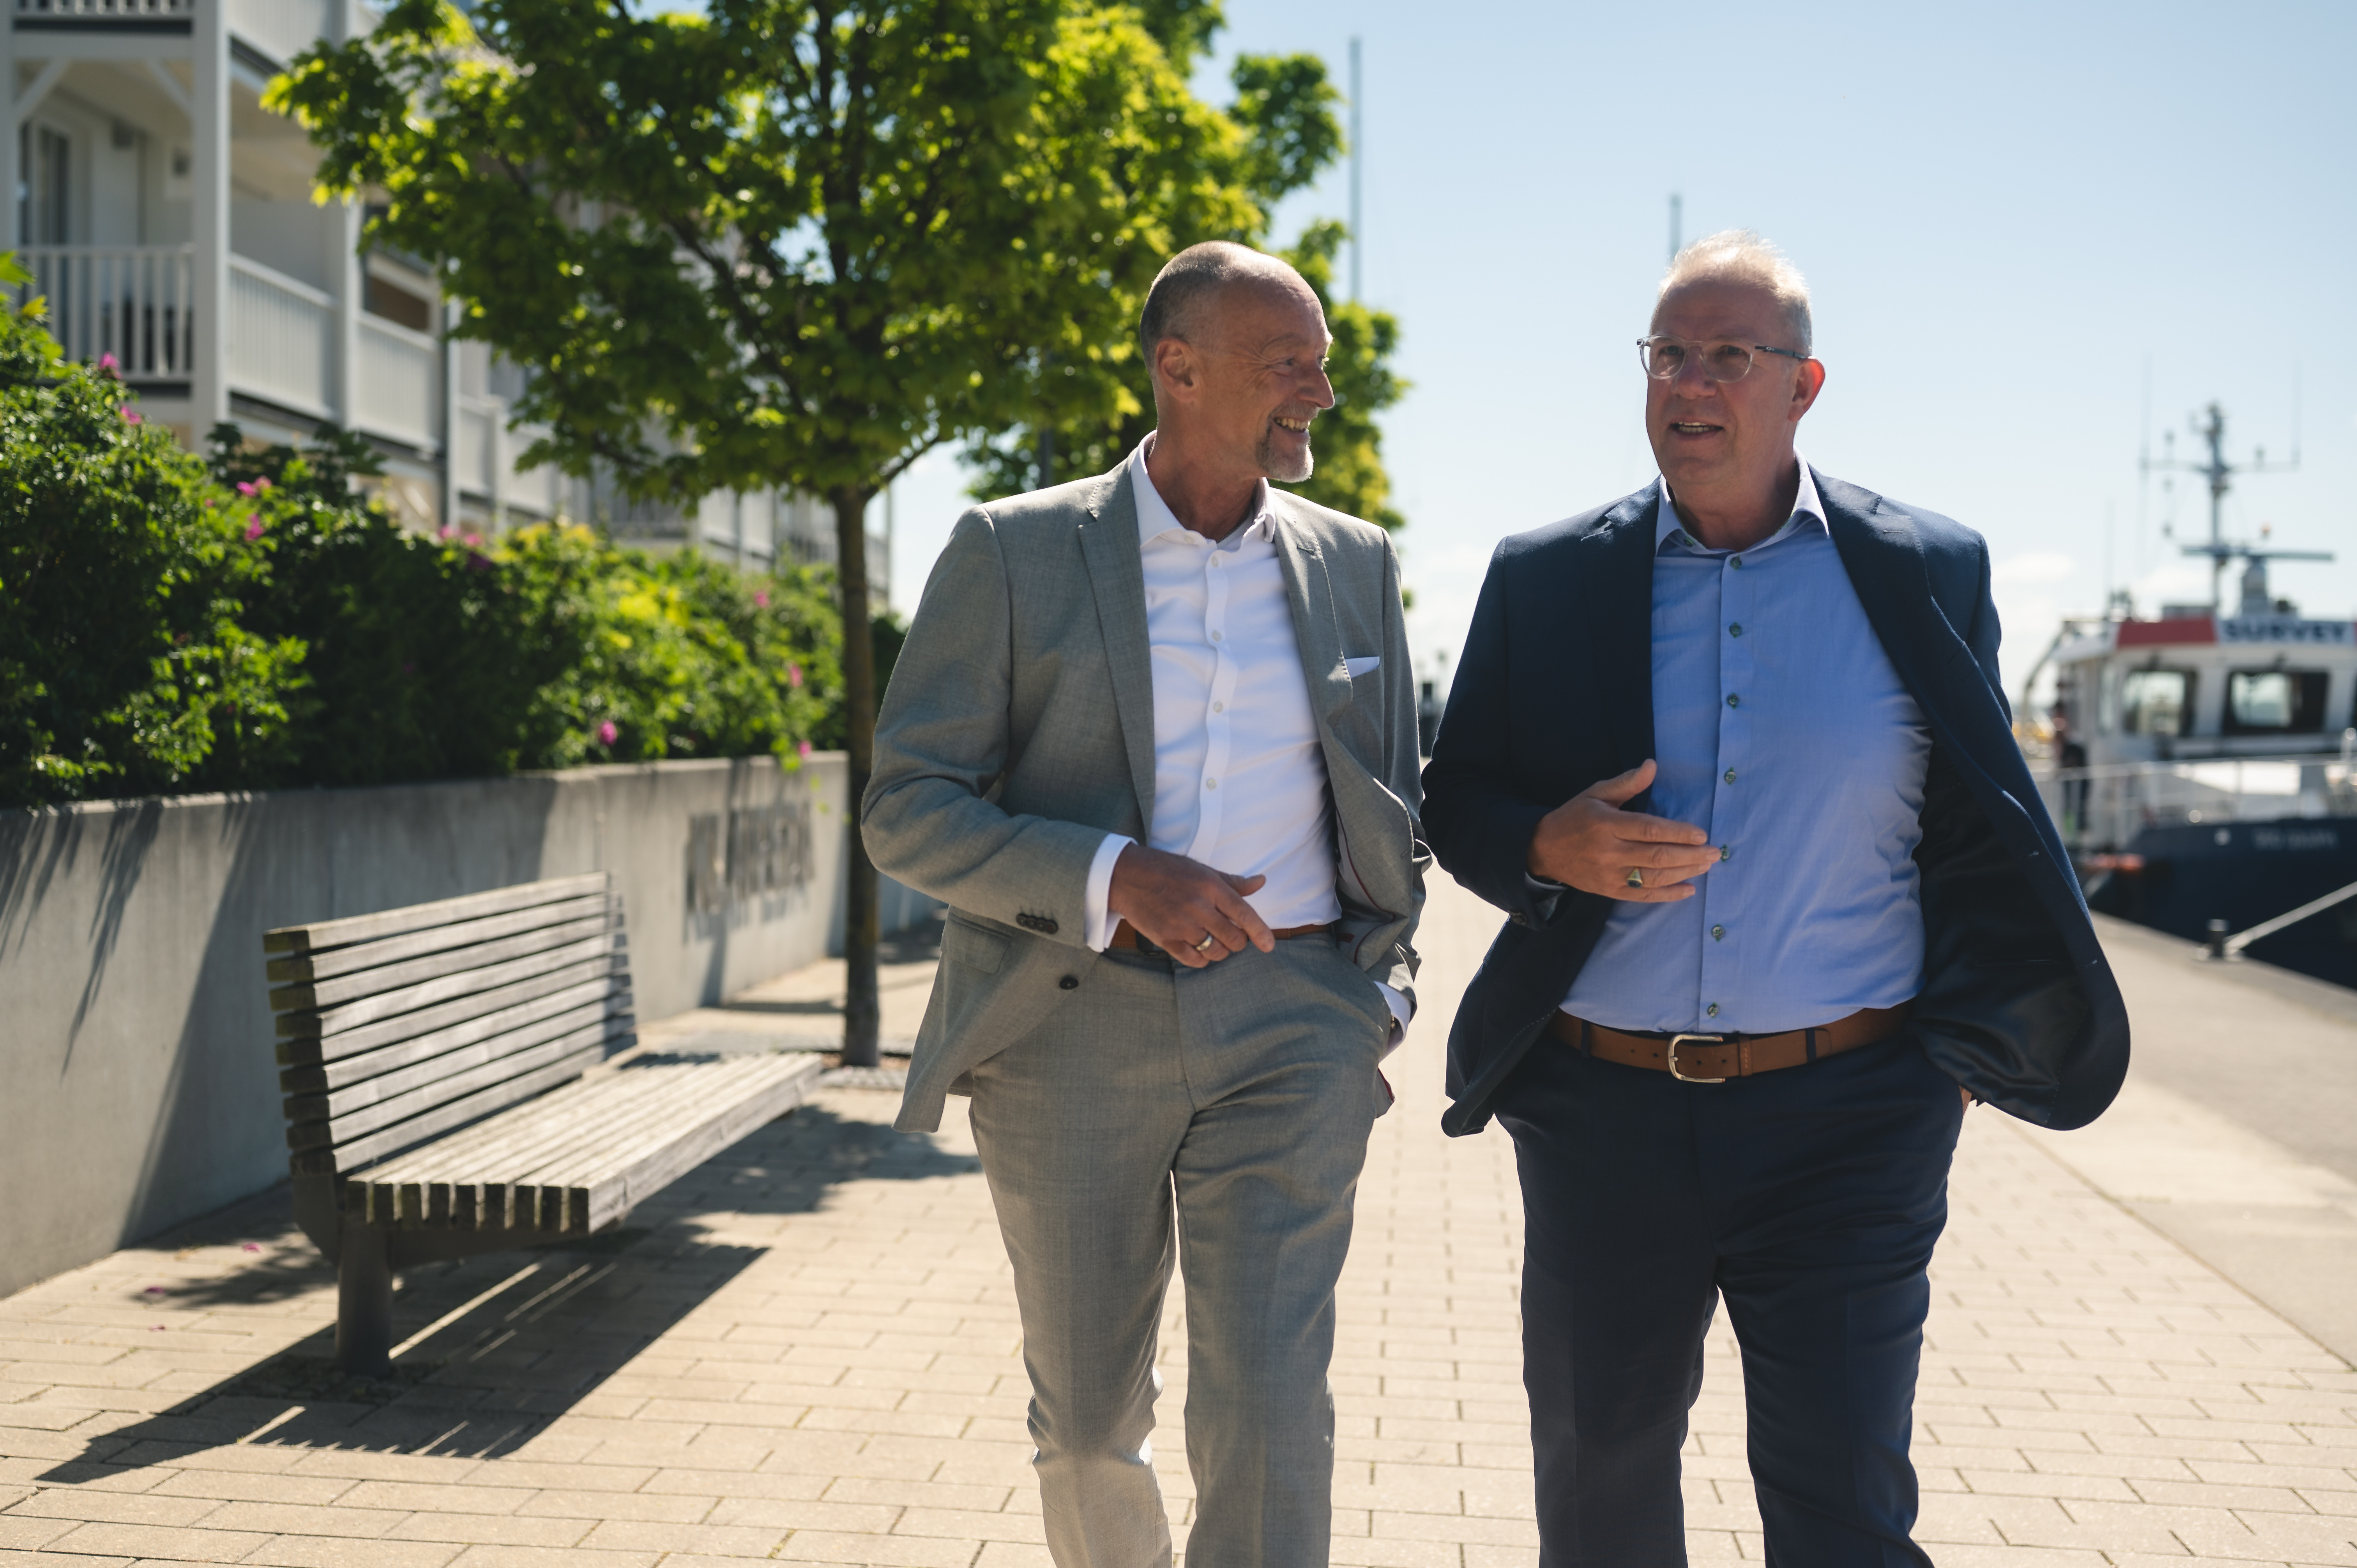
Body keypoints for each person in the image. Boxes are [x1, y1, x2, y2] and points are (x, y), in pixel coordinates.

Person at [1419, 231, 2129, 1566]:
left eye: (1729, 356)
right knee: (1600, 1496)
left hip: (1854, 1118)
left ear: (1804, 388)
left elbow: (1984, 821)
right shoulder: (1545, 575)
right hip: (1601, 1112)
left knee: (1845, 1505)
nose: (1690, 381)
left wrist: (1951, 1063)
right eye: (1668, 352)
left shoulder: (1928, 567)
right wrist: (1549, 850)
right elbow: (1454, 807)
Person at [862, 240, 1427, 1568]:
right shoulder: (1013, 551)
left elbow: (1392, 794)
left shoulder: (1357, 563)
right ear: (1178, 366)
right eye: (1290, 365)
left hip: (1296, 1021)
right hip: (1071, 1030)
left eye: (1324, 366)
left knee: (1272, 1398)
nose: (1321, 396)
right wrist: (1118, 877)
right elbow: (908, 808)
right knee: (1089, 1419)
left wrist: (1376, 992)